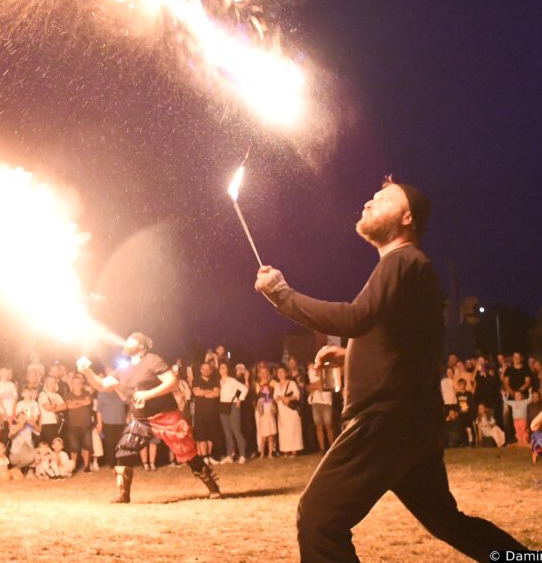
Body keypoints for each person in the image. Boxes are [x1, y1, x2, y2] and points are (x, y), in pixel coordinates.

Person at [255, 176, 524, 560]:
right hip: (411, 426)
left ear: (407, 217)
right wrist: (352, 357)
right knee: (449, 523)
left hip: (386, 422)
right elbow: (405, 343)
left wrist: (282, 295)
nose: (369, 202)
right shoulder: (411, 268)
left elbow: (356, 319)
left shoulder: (403, 261)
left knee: (317, 520)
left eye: (382, 199)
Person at [77, 332, 220, 503]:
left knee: (187, 452)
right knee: (124, 451)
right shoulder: (123, 369)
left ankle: (213, 487)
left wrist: (148, 394)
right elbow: (101, 385)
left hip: (166, 415)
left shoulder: (153, 360)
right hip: (141, 419)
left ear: (141, 346)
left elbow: (172, 382)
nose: (126, 342)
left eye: (131, 340)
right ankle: (123, 494)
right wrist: (87, 371)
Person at [217, 362, 248, 463]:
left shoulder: (232, 381)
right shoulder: (218, 382)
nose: (222, 369)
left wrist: (240, 399)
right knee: (227, 432)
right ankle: (229, 455)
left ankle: (243, 455)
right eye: (221, 368)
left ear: (227, 369)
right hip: (222, 406)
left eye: (224, 367)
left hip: (233, 406)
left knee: (236, 431)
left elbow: (244, 388)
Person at [274, 366, 304, 457]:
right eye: (278, 372)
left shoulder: (291, 383)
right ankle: (285, 450)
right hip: (282, 411)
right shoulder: (276, 385)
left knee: (293, 429)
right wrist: (279, 398)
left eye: (282, 372)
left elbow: (297, 395)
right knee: (284, 430)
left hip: (291, 410)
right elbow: (275, 397)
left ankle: (294, 450)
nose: (280, 374)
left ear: (286, 373)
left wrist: (287, 398)